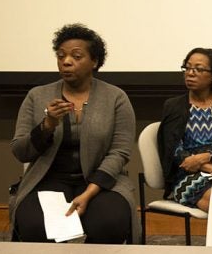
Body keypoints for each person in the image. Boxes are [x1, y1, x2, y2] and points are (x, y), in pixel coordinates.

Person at [9, 23, 138, 243]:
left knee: (108, 224)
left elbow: (120, 152)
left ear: (94, 61)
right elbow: (21, 151)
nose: (66, 61)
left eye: (76, 56)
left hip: (100, 182)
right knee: (35, 227)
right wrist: (47, 124)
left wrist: (89, 193)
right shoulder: (36, 96)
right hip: (47, 180)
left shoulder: (116, 97)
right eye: (61, 56)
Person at [158, 48, 212, 211]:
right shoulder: (175, 107)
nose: (190, 73)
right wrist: (208, 167)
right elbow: (174, 151)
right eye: (187, 68)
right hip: (188, 175)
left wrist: (209, 158)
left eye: (198, 69)